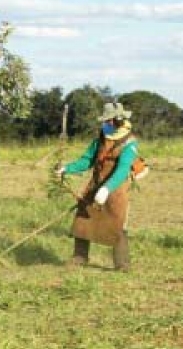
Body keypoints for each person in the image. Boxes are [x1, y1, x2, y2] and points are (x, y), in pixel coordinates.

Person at [56, 102, 139, 272]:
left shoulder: (129, 144)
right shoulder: (101, 138)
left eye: (107, 121)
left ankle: (122, 265)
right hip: (96, 183)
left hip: (117, 187)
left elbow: (123, 170)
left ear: (118, 120)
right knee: (83, 217)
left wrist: (107, 189)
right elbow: (87, 160)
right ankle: (79, 258)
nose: (104, 125)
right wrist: (68, 168)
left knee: (118, 223)